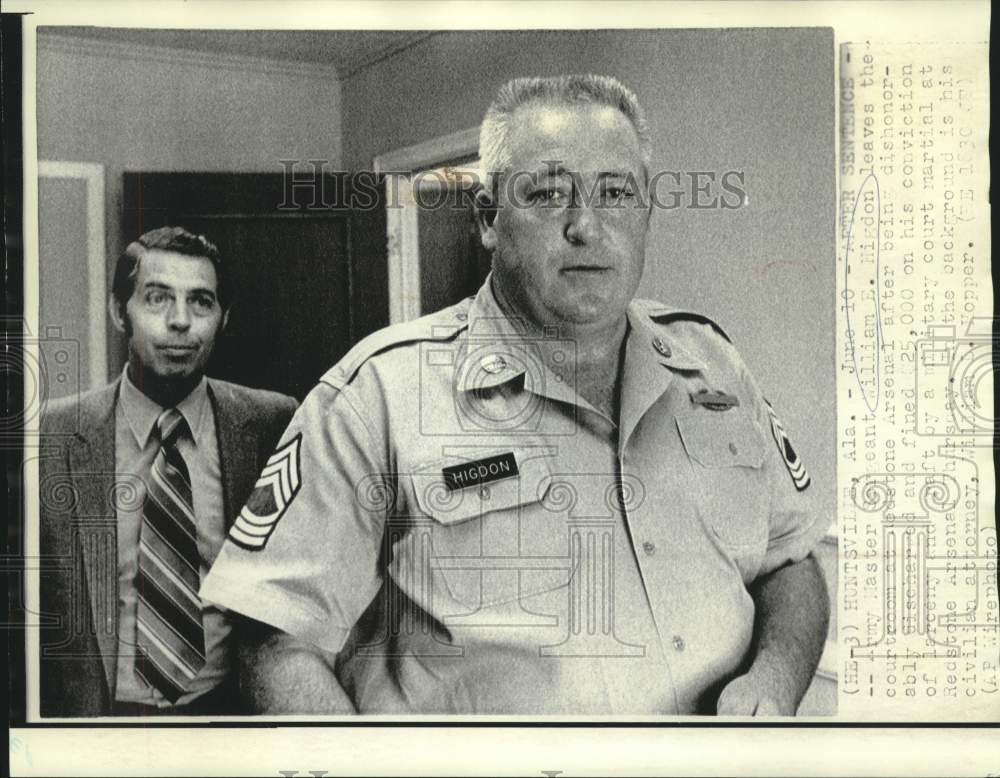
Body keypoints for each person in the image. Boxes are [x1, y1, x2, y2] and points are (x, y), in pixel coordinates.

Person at [202, 74, 830, 715]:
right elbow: (275, 641)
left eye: (616, 192)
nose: (585, 225)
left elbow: (791, 562)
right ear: (487, 220)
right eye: (548, 193)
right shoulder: (379, 394)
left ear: (646, 212)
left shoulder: (712, 364)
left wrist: (773, 681)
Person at [39, 226, 297, 716]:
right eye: (157, 299)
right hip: (97, 725)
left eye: (201, 303)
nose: (180, 321)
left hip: (229, 717)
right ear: (120, 312)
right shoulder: (51, 436)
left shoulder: (271, 424)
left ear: (223, 320)